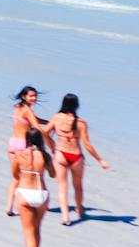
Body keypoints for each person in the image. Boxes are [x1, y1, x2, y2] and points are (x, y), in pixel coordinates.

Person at [44, 94, 111, 225]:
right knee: (78, 186)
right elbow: (87, 145)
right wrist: (100, 160)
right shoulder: (81, 123)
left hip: (61, 154)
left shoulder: (56, 118)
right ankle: (79, 209)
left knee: (62, 186)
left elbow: (45, 132)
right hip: (76, 157)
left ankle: (65, 216)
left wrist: (52, 146)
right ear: (76, 105)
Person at [12, 128, 53, 247]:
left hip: (25, 192)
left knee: (28, 230)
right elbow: (53, 174)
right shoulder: (45, 155)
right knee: (37, 228)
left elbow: (15, 174)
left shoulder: (20, 155)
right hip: (41, 194)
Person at [5, 86, 49, 215]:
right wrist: (49, 138)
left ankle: (9, 207)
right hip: (23, 145)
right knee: (26, 176)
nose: (34, 98)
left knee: (15, 177)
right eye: (31, 96)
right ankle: (29, 204)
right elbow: (36, 126)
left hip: (13, 143)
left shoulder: (17, 107)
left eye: (35, 96)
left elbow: (33, 120)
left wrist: (49, 122)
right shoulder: (28, 110)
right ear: (24, 96)